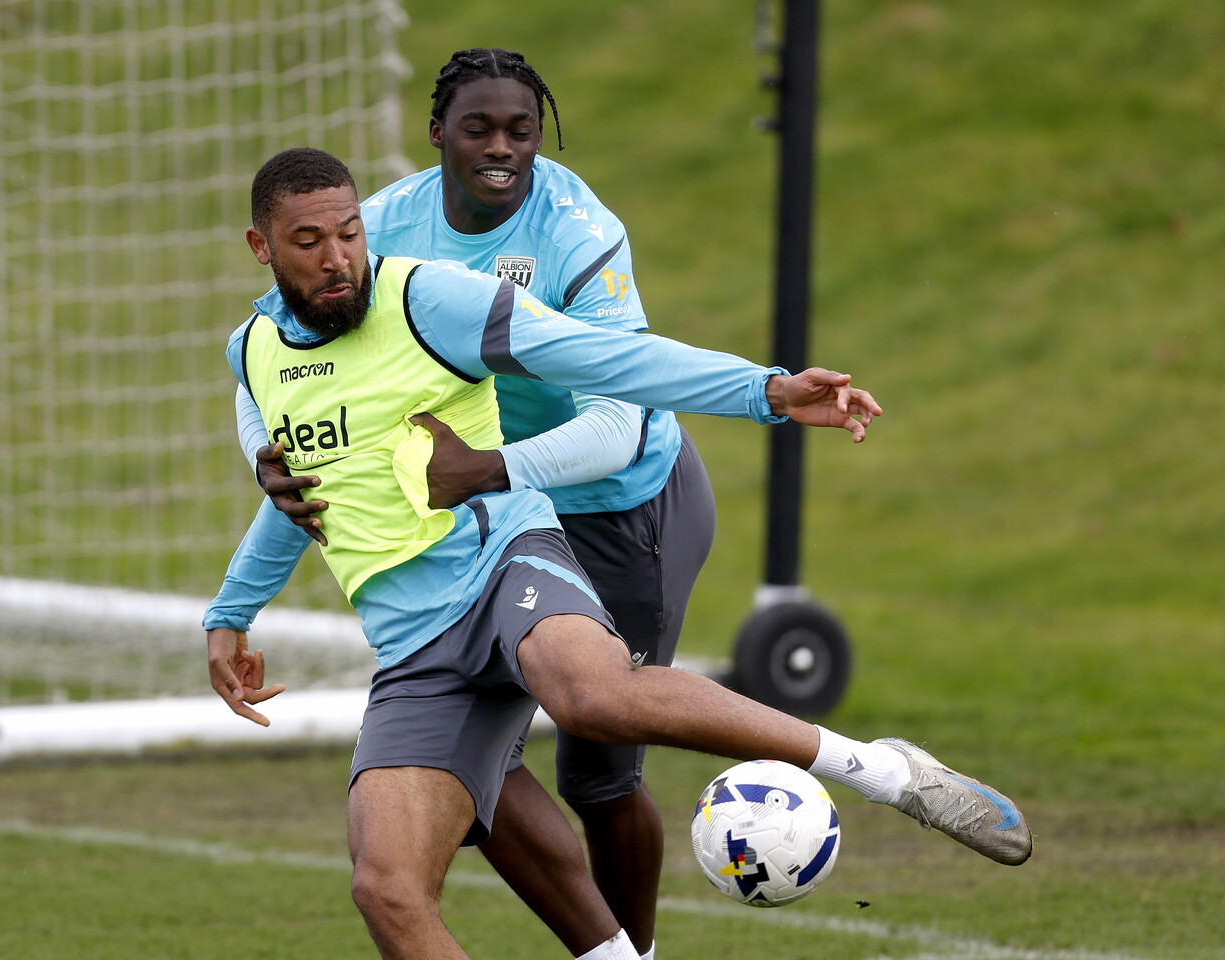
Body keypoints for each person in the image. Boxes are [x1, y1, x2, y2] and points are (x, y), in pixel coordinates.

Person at [205, 147, 1031, 960]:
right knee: (386, 888)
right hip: (411, 642)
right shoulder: (253, 358)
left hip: (503, 564)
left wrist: (767, 390)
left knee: (590, 697)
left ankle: (882, 771)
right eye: (309, 242)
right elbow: (297, 498)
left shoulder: (430, 301)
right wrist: (231, 615)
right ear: (262, 248)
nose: (338, 258)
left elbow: (608, 358)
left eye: (349, 233)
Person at [215, 48, 719, 959]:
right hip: (485, 503)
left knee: (600, 767)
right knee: (471, 767)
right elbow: (265, 338)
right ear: (437, 133)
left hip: (619, 502)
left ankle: (635, 947)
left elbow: (620, 419)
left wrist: (491, 466)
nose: (501, 149)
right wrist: (262, 447)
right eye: (478, 128)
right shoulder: (375, 224)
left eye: (520, 131)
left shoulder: (578, 231)